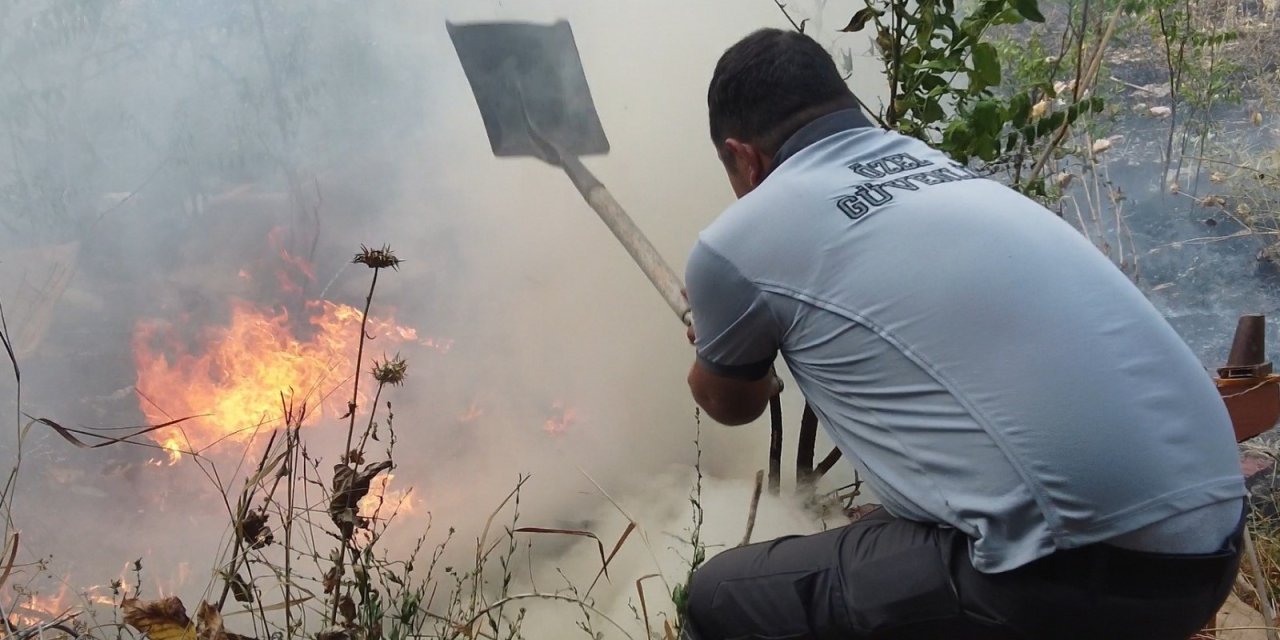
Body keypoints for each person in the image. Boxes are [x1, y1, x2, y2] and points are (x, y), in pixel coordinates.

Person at [680, 28, 1247, 640]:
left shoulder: (737, 242)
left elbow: (731, 404)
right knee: (873, 532)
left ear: (744, 156)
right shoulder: (943, 172)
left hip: (1075, 580)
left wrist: (723, 348)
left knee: (718, 596)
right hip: (1212, 544)